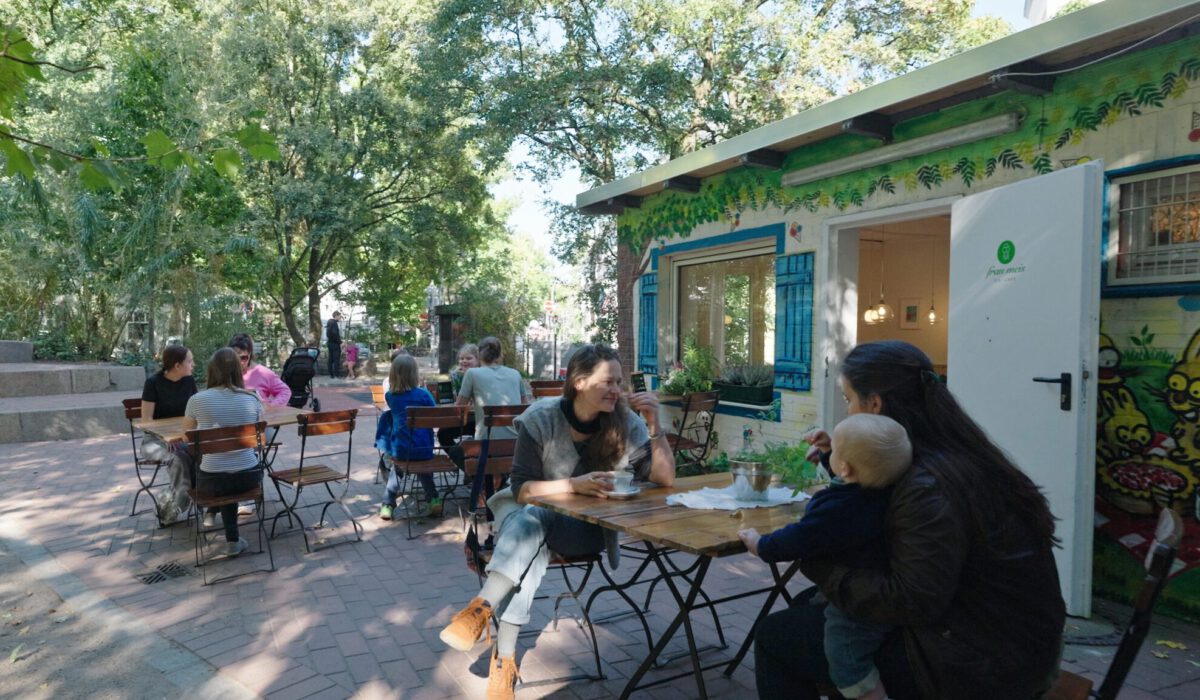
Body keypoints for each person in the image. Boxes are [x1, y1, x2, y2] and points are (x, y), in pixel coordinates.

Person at [752, 340, 1065, 700]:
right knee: (812, 606)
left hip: (982, 663)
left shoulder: (926, 485)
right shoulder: (952, 450)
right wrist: (833, 459)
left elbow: (912, 600)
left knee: (776, 635)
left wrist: (819, 563)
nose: (847, 411)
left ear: (875, 404)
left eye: (848, 399)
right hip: (1009, 638)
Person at [437, 344, 676, 700]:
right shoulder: (542, 418)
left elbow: (665, 479)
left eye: (619, 382)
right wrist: (572, 485)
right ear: (579, 382)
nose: (617, 390)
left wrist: (656, 426)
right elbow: (521, 489)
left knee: (528, 529)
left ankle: (480, 609)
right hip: (533, 523)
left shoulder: (625, 421)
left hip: (587, 531)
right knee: (531, 539)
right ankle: (503, 664)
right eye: (608, 382)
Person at [739, 413, 912, 700]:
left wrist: (761, 544)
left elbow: (800, 537)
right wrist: (830, 452)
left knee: (844, 654)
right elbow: (852, 482)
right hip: (873, 581)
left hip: (858, 607)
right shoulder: (879, 492)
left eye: (837, 449)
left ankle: (870, 694)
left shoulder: (839, 509)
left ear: (844, 467)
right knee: (804, 604)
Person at [182, 348, 266, 557]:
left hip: (211, 482)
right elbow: (258, 440)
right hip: (249, 478)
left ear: (212, 371)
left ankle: (222, 529)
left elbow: (187, 438)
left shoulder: (197, 400)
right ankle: (233, 541)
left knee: (200, 463)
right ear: (238, 371)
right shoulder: (252, 399)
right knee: (233, 469)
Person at [376, 353, 442, 519]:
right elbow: (434, 415)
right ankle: (433, 500)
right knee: (423, 469)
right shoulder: (424, 395)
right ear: (415, 374)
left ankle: (387, 506)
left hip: (401, 449)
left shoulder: (390, 397)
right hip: (424, 448)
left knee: (397, 469)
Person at [456, 336, 532, 441]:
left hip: (485, 445)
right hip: (516, 442)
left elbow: (458, 409)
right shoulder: (515, 374)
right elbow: (525, 408)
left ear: (479, 354)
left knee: (447, 434)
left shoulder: (472, 373)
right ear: (500, 355)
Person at [230, 333, 291, 407]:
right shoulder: (224, 372)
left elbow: (285, 392)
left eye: (243, 358)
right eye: (235, 358)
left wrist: (271, 407)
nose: (239, 362)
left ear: (250, 354)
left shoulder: (263, 373)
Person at [439, 343, 479, 448]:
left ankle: (466, 458)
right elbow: (455, 395)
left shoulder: (480, 375)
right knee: (443, 433)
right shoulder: (456, 375)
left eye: (469, 358)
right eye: (461, 359)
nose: (464, 361)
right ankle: (462, 457)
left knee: (443, 433)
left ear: (478, 360)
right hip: (464, 417)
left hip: (478, 420)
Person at [141, 344, 197, 420]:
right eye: (190, 361)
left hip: (186, 428)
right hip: (160, 430)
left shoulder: (189, 380)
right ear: (177, 366)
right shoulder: (152, 383)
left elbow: (196, 410)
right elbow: (147, 418)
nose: (194, 364)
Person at [326, 311, 342, 378]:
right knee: (336, 359)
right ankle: (336, 374)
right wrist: (340, 342)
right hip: (335, 344)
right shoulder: (334, 323)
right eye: (339, 316)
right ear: (336, 316)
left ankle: (331, 374)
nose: (340, 318)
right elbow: (335, 334)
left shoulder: (329, 322)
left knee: (330, 359)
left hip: (330, 343)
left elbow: (328, 334)